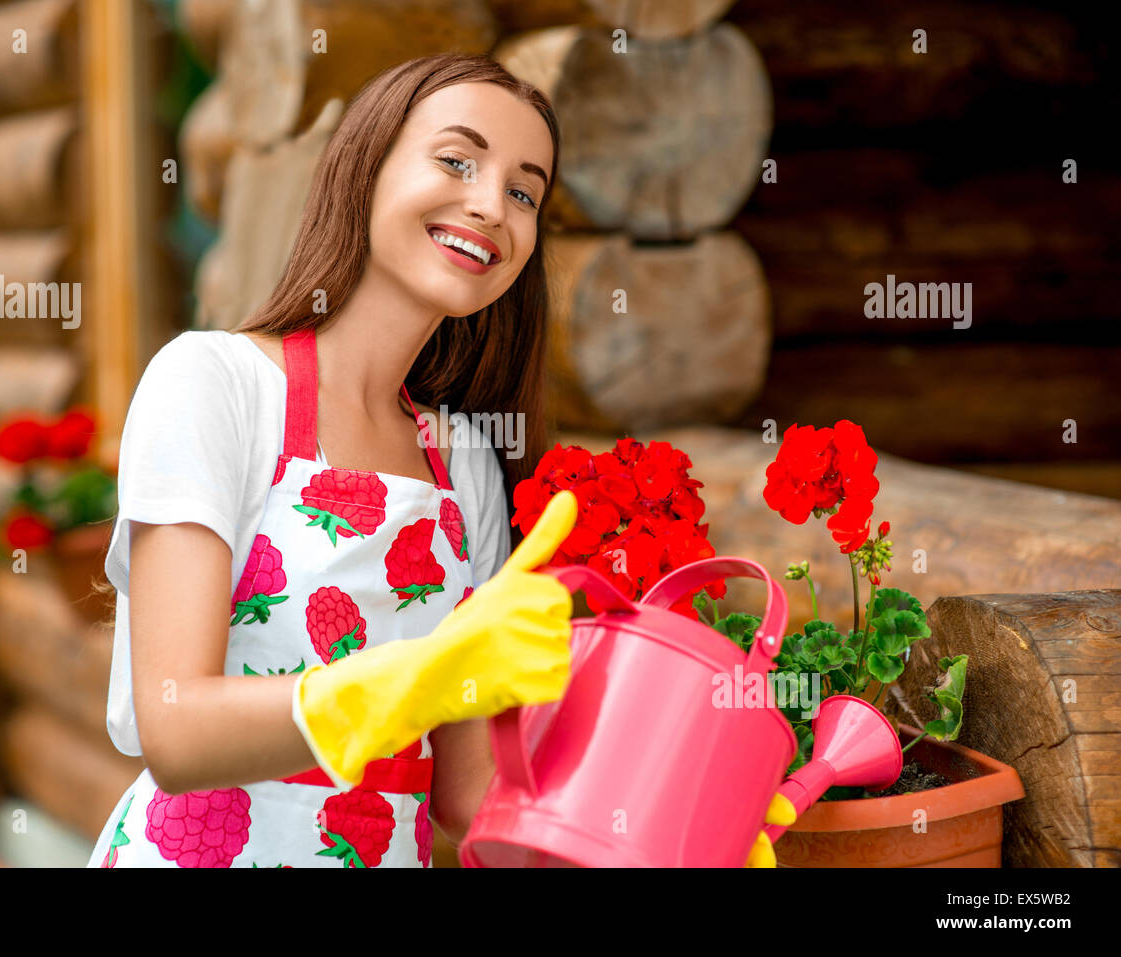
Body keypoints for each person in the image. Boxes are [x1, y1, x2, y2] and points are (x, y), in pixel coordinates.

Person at [87, 52, 790, 869]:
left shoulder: (463, 467)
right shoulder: (213, 383)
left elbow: (468, 797)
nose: (491, 205)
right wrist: (418, 673)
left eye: (525, 192)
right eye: (457, 160)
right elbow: (175, 729)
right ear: (365, 164)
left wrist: (665, 824)